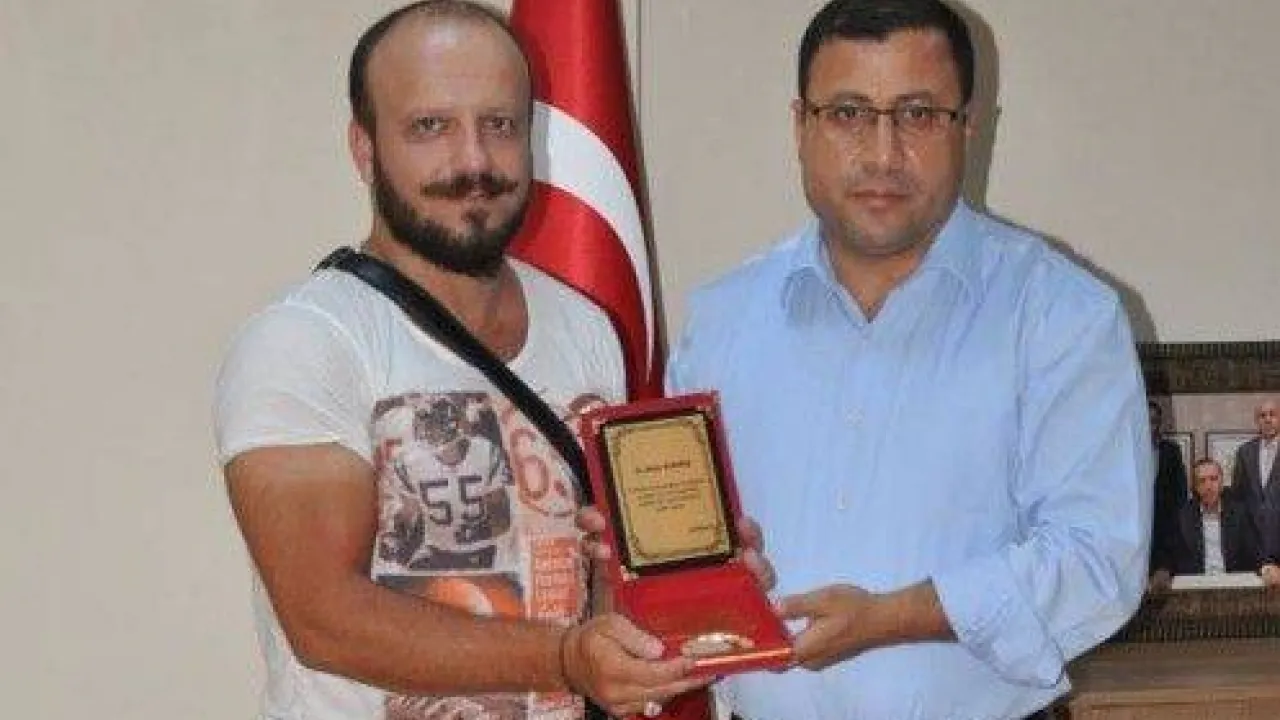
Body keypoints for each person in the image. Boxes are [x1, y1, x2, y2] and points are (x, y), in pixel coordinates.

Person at [213, 2, 707, 718]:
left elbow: (596, 597)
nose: (473, 161)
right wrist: (566, 658)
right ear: (364, 148)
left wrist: (689, 573)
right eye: (431, 127)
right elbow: (324, 619)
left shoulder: (587, 328)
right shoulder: (305, 340)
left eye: (499, 125)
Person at [668, 1, 1152, 718]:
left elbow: (1097, 560)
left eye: (918, 114)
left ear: (969, 127)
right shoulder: (720, 321)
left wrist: (894, 617)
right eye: (848, 114)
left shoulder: (1063, 316)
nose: (882, 154)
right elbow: (690, 553)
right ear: (800, 125)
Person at [1168, 459, 1278, 582]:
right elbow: (1171, 556)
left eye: (1213, 479)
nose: (1208, 486)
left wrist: (1267, 568)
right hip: (1197, 584)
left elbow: (1255, 550)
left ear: (1222, 482)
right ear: (1195, 486)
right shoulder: (1183, 516)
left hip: (1232, 583)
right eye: (1202, 481)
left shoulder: (1239, 513)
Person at [1146, 399, 1189, 592]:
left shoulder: (1171, 450)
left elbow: (1181, 490)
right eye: (1146, 421)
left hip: (1166, 527)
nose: (1150, 426)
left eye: (1154, 421)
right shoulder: (1127, 452)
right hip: (1136, 527)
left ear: (1159, 423)